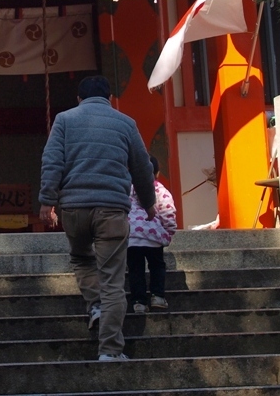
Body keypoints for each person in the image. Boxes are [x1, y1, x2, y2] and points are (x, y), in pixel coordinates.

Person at [38, 74, 156, 363]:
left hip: (74, 209)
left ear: (79, 98)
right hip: (112, 210)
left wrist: (47, 202)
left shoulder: (64, 120)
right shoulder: (126, 123)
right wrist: (149, 203)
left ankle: (95, 306)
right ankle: (110, 350)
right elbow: (142, 166)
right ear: (109, 99)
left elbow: (52, 160)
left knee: (81, 258)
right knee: (113, 282)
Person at [127, 155, 177, 314]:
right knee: (157, 266)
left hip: (132, 237)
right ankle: (157, 296)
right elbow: (168, 211)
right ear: (157, 173)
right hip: (153, 237)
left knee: (135, 269)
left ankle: (138, 302)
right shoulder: (159, 189)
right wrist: (168, 232)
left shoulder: (127, 189)